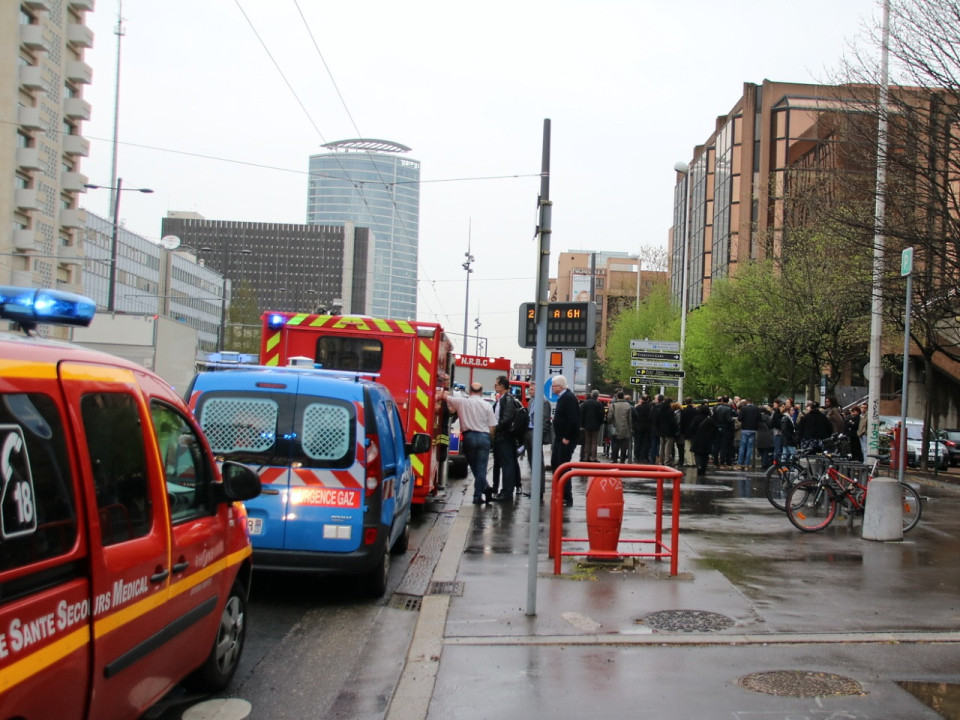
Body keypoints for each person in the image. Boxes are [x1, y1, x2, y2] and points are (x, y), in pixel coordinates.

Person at [444, 382, 497, 505]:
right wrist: (490, 438)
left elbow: (445, 397)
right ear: (482, 391)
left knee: (474, 466)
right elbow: (493, 425)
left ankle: (484, 490)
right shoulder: (487, 405)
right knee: (481, 468)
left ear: (470, 390)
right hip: (484, 437)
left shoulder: (462, 402)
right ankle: (479, 495)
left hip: (469, 437)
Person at [550, 375, 580, 507]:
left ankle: (567, 496)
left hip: (565, 438)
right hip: (560, 437)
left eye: (554, 385)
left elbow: (573, 420)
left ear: (560, 386)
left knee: (563, 465)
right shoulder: (563, 397)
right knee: (556, 463)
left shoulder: (568, 398)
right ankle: (559, 492)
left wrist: (567, 438)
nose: (552, 388)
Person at [491, 375, 520, 500]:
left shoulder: (507, 399)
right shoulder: (502, 399)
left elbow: (506, 418)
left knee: (507, 465)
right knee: (503, 464)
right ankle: (502, 490)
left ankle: (507, 493)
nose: (495, 386)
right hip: (501, 437)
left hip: (505, 437)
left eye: (496, 384)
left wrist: (496, 429)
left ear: (502, 386)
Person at [523, 385, 552, 499]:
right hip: (528, 431)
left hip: (536, 433)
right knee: (531, 461)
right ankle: (534, 489)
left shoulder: (544, 402)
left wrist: (539, 435)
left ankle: (539, 491)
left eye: (532, 389)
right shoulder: (531, 401)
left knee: (538, 463)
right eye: (529, 389)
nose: (529, 391)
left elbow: (545, 420)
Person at [689, 404, 717, 477]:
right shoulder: (710, 419)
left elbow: (692, 427)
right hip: (707, 439)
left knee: (697, 454)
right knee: (705, 455)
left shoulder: (696, 418)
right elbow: (716, 429)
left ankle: (699, 465)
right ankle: (703, 468)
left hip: (697, 438)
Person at [579, 389, 605, 462]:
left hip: (586, 425)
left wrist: (582, 424)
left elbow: (581, 414)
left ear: (591, 395)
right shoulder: (599, 404)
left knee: (587, 441)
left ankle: (586, 457)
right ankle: (593, 457)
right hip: (596, 425)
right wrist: (600, 422)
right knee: (594, 441)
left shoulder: (585, 404)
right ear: (597, 396)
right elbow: (601, 415)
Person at [737, 398, 761, 470]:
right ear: (752, 402)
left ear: (747, 402)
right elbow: (759, 418)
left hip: (744, 429)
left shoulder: (744, 408)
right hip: (753, 429)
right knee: (750, 448)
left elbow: (739, 418)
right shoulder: (756, 408)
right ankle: (747, 464)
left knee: (742, 447)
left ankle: (739, 463)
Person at [609, 391, 633, 463]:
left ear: (617, 397)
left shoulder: (613, 405)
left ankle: (614, 458)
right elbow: (630, 418)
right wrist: (630, 428)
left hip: (615, 427)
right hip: (625, 428)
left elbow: (610, 417)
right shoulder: (627, 405)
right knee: (624, 445)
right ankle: (622, 459)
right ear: (623, 397)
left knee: (615, 444)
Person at [631, 394, 652, 462]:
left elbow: (634, 418)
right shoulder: (650, 408)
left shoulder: (637, 408)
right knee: (646, 443)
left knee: (637, 443)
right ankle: (644, 457)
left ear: (642, 399)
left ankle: (637, 456)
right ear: (648, 399)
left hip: (638, 428)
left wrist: (634, 426)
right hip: (648, 428)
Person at [679, 397, 698, 467]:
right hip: (694, 431)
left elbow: (682, 422)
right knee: (694, 447)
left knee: (687, 447)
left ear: (685, 402)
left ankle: (690, 462)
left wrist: (681, 431)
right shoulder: (695, 411)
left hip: (686, 431)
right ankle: (694, 461)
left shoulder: (684, 411)